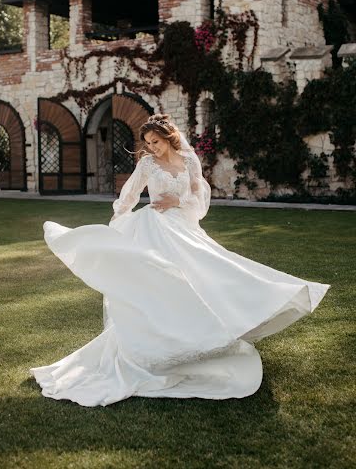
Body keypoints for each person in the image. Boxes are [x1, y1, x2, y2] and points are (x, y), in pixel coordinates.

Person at [30, 114, 330, 407]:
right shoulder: (147, 163)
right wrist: (119, 218)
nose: (152, 147)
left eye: (156, 141)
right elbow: (131, 193)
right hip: (154, 226)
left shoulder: (190, 161)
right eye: (148, 143)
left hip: (183, 226)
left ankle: (226, 322)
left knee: (209, 271)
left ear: (168, 137)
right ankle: (157, 346)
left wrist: (179, 201)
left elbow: (199, 203)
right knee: (160, 283)